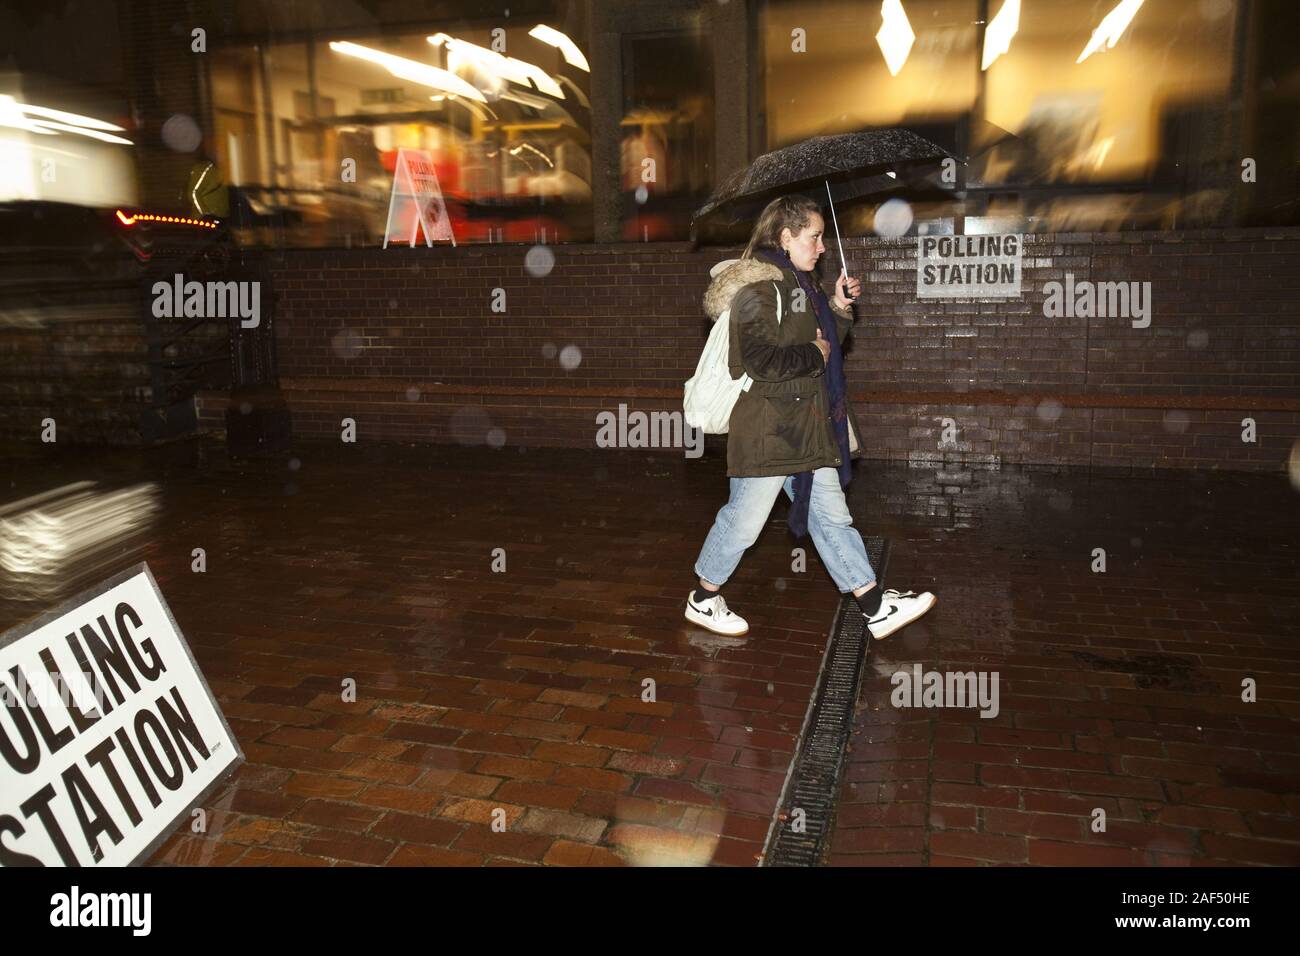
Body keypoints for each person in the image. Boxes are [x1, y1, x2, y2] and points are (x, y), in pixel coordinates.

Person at [685, 194, 936, 640]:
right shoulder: (758, 290)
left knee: (831, 517)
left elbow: (825, 343)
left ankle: (875, 606)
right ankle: (703, 599)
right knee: (743, 523)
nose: (821, 247)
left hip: (806, 427)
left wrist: (837, 307)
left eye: (822, 237)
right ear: (786, 237)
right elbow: (759, 360)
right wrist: (813, 353)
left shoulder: (801, 288)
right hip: (768, 430)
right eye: (814, 237)